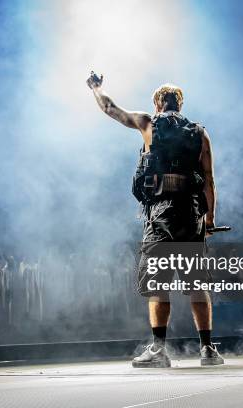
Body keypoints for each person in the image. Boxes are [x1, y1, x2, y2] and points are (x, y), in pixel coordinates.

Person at [87, 72, 223, 367]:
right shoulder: (200, 133)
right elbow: (210, 179)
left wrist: (96, 88)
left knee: (158, 283)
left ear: (158, 103)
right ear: (181, 104)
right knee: (197, 285)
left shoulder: (149, 123)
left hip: (161, 215)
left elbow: (110, 108)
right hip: (191, 214)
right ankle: (208, 350)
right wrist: (209, 218)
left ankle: (159, 350)